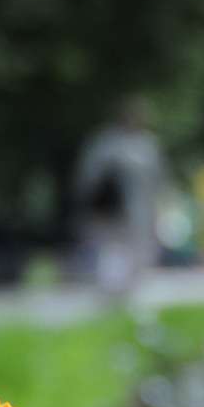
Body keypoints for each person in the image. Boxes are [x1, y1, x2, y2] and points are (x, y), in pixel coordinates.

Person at [70, 99, 165, 294]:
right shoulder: (106, 142)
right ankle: (111, 294)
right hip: (111, 211)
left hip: (139, 211)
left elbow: (158, 181)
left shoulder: (148, 145)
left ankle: (127, 294)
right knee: (110, 251)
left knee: (137, 253)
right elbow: (88, 177)